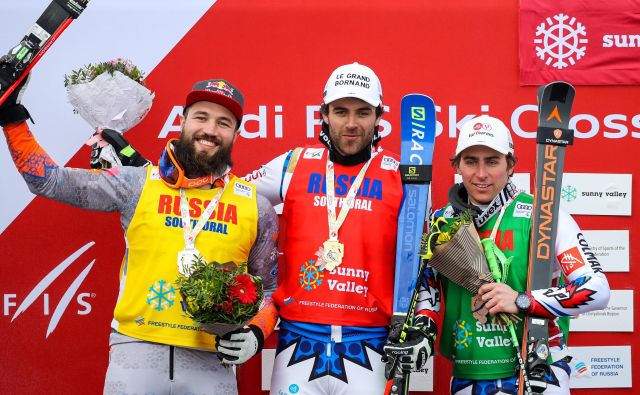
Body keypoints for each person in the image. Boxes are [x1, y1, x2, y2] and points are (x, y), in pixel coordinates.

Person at [0, 74, 280, 395]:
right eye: (201, 117)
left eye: (224, 122)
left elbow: (269, 289)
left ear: (235, 133)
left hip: (211, 361)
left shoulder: (255, 206)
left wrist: (256, 332)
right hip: (135, 351)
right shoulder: (137, 183)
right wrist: (13, 121)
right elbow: (48, 180)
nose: (210, 130)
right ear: (183, 121)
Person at [245, 62, 439, 395]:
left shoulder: (404, 175)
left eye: (363, 112)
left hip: (372, 345)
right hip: (298, 342)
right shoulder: (292, 164)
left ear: (379, 116)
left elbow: (424, 261)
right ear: (324, 113)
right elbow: (228, 203)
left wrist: (426, 323)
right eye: (341, 111)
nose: (351, 124)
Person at [427, 115, 610, 395]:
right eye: (470, 161)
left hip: (538, 368)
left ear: (510, 165)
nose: (481, 174)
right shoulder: (443, 222)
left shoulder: (543, 214)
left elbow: (597, 289)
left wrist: (523, 300)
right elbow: (427, 292)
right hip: (469, 372)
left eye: (492, 161)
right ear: (457, 166)